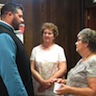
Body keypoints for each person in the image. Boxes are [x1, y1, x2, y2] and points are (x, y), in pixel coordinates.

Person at [0, 3, 34, 96]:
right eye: (20, 16)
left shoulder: (8, 33)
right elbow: (10, 73)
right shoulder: (4, 35)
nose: (22, 20)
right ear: (10, 15)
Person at [53, 28, 96, 96]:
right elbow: (81, 81)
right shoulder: (82, 60)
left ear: (86, 44)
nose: (76, 43)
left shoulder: (93, 61)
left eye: (78, 40)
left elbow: (93, 91)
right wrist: (64, 82)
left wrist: (70, 90)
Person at [30, 22, 67, 96]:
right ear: (42, 35)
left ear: (54, 36)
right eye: (45, 33)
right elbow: (32, 68)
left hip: (54, 86)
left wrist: (48, 82)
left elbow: (63, 69)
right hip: (39, 85)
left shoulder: (59, 50)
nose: (47, 35)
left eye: (49, 33)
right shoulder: (35, 50)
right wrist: (42, 82)